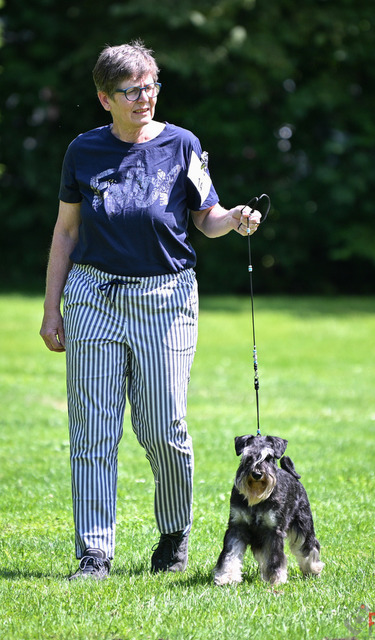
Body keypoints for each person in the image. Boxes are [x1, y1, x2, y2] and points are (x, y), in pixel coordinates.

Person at [40, 39, 261, 581]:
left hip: (166, 299)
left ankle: (174, 531)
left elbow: (205, 215)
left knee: (165, 427)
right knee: (93, 429)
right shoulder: (83, 151)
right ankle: (94, 555)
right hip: (94, 297)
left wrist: (232, 218)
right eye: (131, 90)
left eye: (151, 86)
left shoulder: (183, 144)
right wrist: (51, 309)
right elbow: (66, 232)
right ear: (104, 98)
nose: (145, 97)